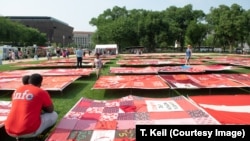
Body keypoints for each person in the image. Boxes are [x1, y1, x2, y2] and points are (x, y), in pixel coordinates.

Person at [5, 73, 58, 139]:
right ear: (40, 83)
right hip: (29, 130)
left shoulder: (17, 90)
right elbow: (50, 110)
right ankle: (41, 134)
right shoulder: (40, 91)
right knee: (54, 115)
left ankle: (18, 137)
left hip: (9, 130)